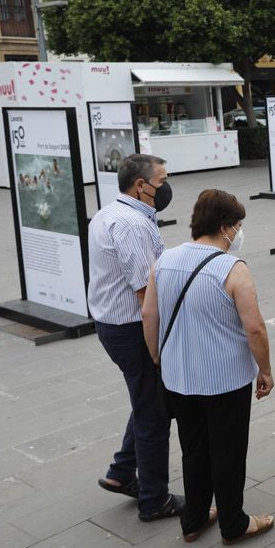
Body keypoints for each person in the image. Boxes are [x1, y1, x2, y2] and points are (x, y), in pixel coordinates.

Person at [142, 189, 275, 545]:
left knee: (194, 449)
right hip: (225, 379)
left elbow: (148, 314)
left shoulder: (164, 260)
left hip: (178, 377)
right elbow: (255, 327)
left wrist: (157, 357)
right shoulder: (232, 269)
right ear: (224, 227)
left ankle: (194, 519)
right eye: (237, 225)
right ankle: (234, 522)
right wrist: (265, 370)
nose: (239, 232)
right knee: (228, 451)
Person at [88, 154, 183, 522]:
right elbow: (147, 294)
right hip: (131, 328)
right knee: (155, 412)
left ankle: (121, 472)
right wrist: (157, 345)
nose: (166, 186)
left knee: (146, 398)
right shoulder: (130, 224)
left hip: (113, 324)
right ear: (141, 185)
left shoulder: (111, 214)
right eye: (162, 180)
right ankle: (154, 499)